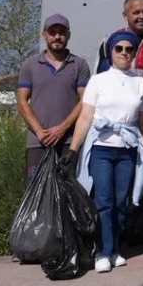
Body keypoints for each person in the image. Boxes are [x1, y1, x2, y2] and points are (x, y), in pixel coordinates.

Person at [70, 31, 143, 273]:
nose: (124, 53)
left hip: (128, 149)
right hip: (101, 148)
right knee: (103, 200)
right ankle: (102, 251)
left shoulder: (140, 83)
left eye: (129, 49)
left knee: (121, 202)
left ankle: (115, 247)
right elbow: (85, 117)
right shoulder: (98, 81)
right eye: (119, 48)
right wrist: (73, 150)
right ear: (111, 52)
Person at [17, 13, 90, 181]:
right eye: (52, 32)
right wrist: (39, 131)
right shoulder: (30, 65)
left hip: (69, 143)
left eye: (62, 32)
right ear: (44, 35)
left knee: (66, 191)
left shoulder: (79, 65)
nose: (57, 36)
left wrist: (62, 128)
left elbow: (85, 100)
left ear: (68, 35)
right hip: (38, 142)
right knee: (37, 191)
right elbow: (21, 101)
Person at [97, 0, 143, 115]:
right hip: (117, 113)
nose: (142, 16)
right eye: (136, 12)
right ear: (125, 15)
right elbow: (99, 79)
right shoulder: (110, 41)